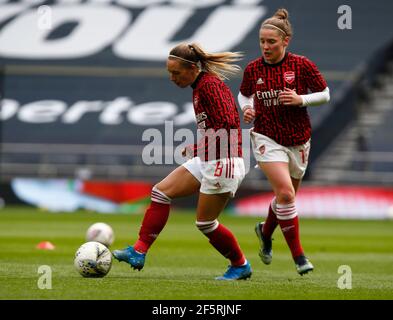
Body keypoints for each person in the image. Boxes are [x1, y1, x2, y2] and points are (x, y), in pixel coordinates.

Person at [113, 43, 252, 280]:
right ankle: (138, 251)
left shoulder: (210, 87)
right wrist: (200, 149)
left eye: (176, 73)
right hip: (210, 156)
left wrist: (199, 147)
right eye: (170, 72)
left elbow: (229, 125)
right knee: (160, 192)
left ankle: (240, 265)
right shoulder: (200, 87)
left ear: (191, 68)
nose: (171, 77)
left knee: (206, 223)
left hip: (224, 160)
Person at [238, 8, 330, 275]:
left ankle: (265, 233)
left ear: (285, 41)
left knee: (285, 198)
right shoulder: (254, 69)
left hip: (299, 140)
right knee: (287, 194)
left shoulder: (301, 65)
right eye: (262, 42)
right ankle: (299, 256)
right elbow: (244, 95)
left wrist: (301, 99)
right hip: (267, 136)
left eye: (271, 42)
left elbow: (324, 93)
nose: (265, 47)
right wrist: (246, 109)